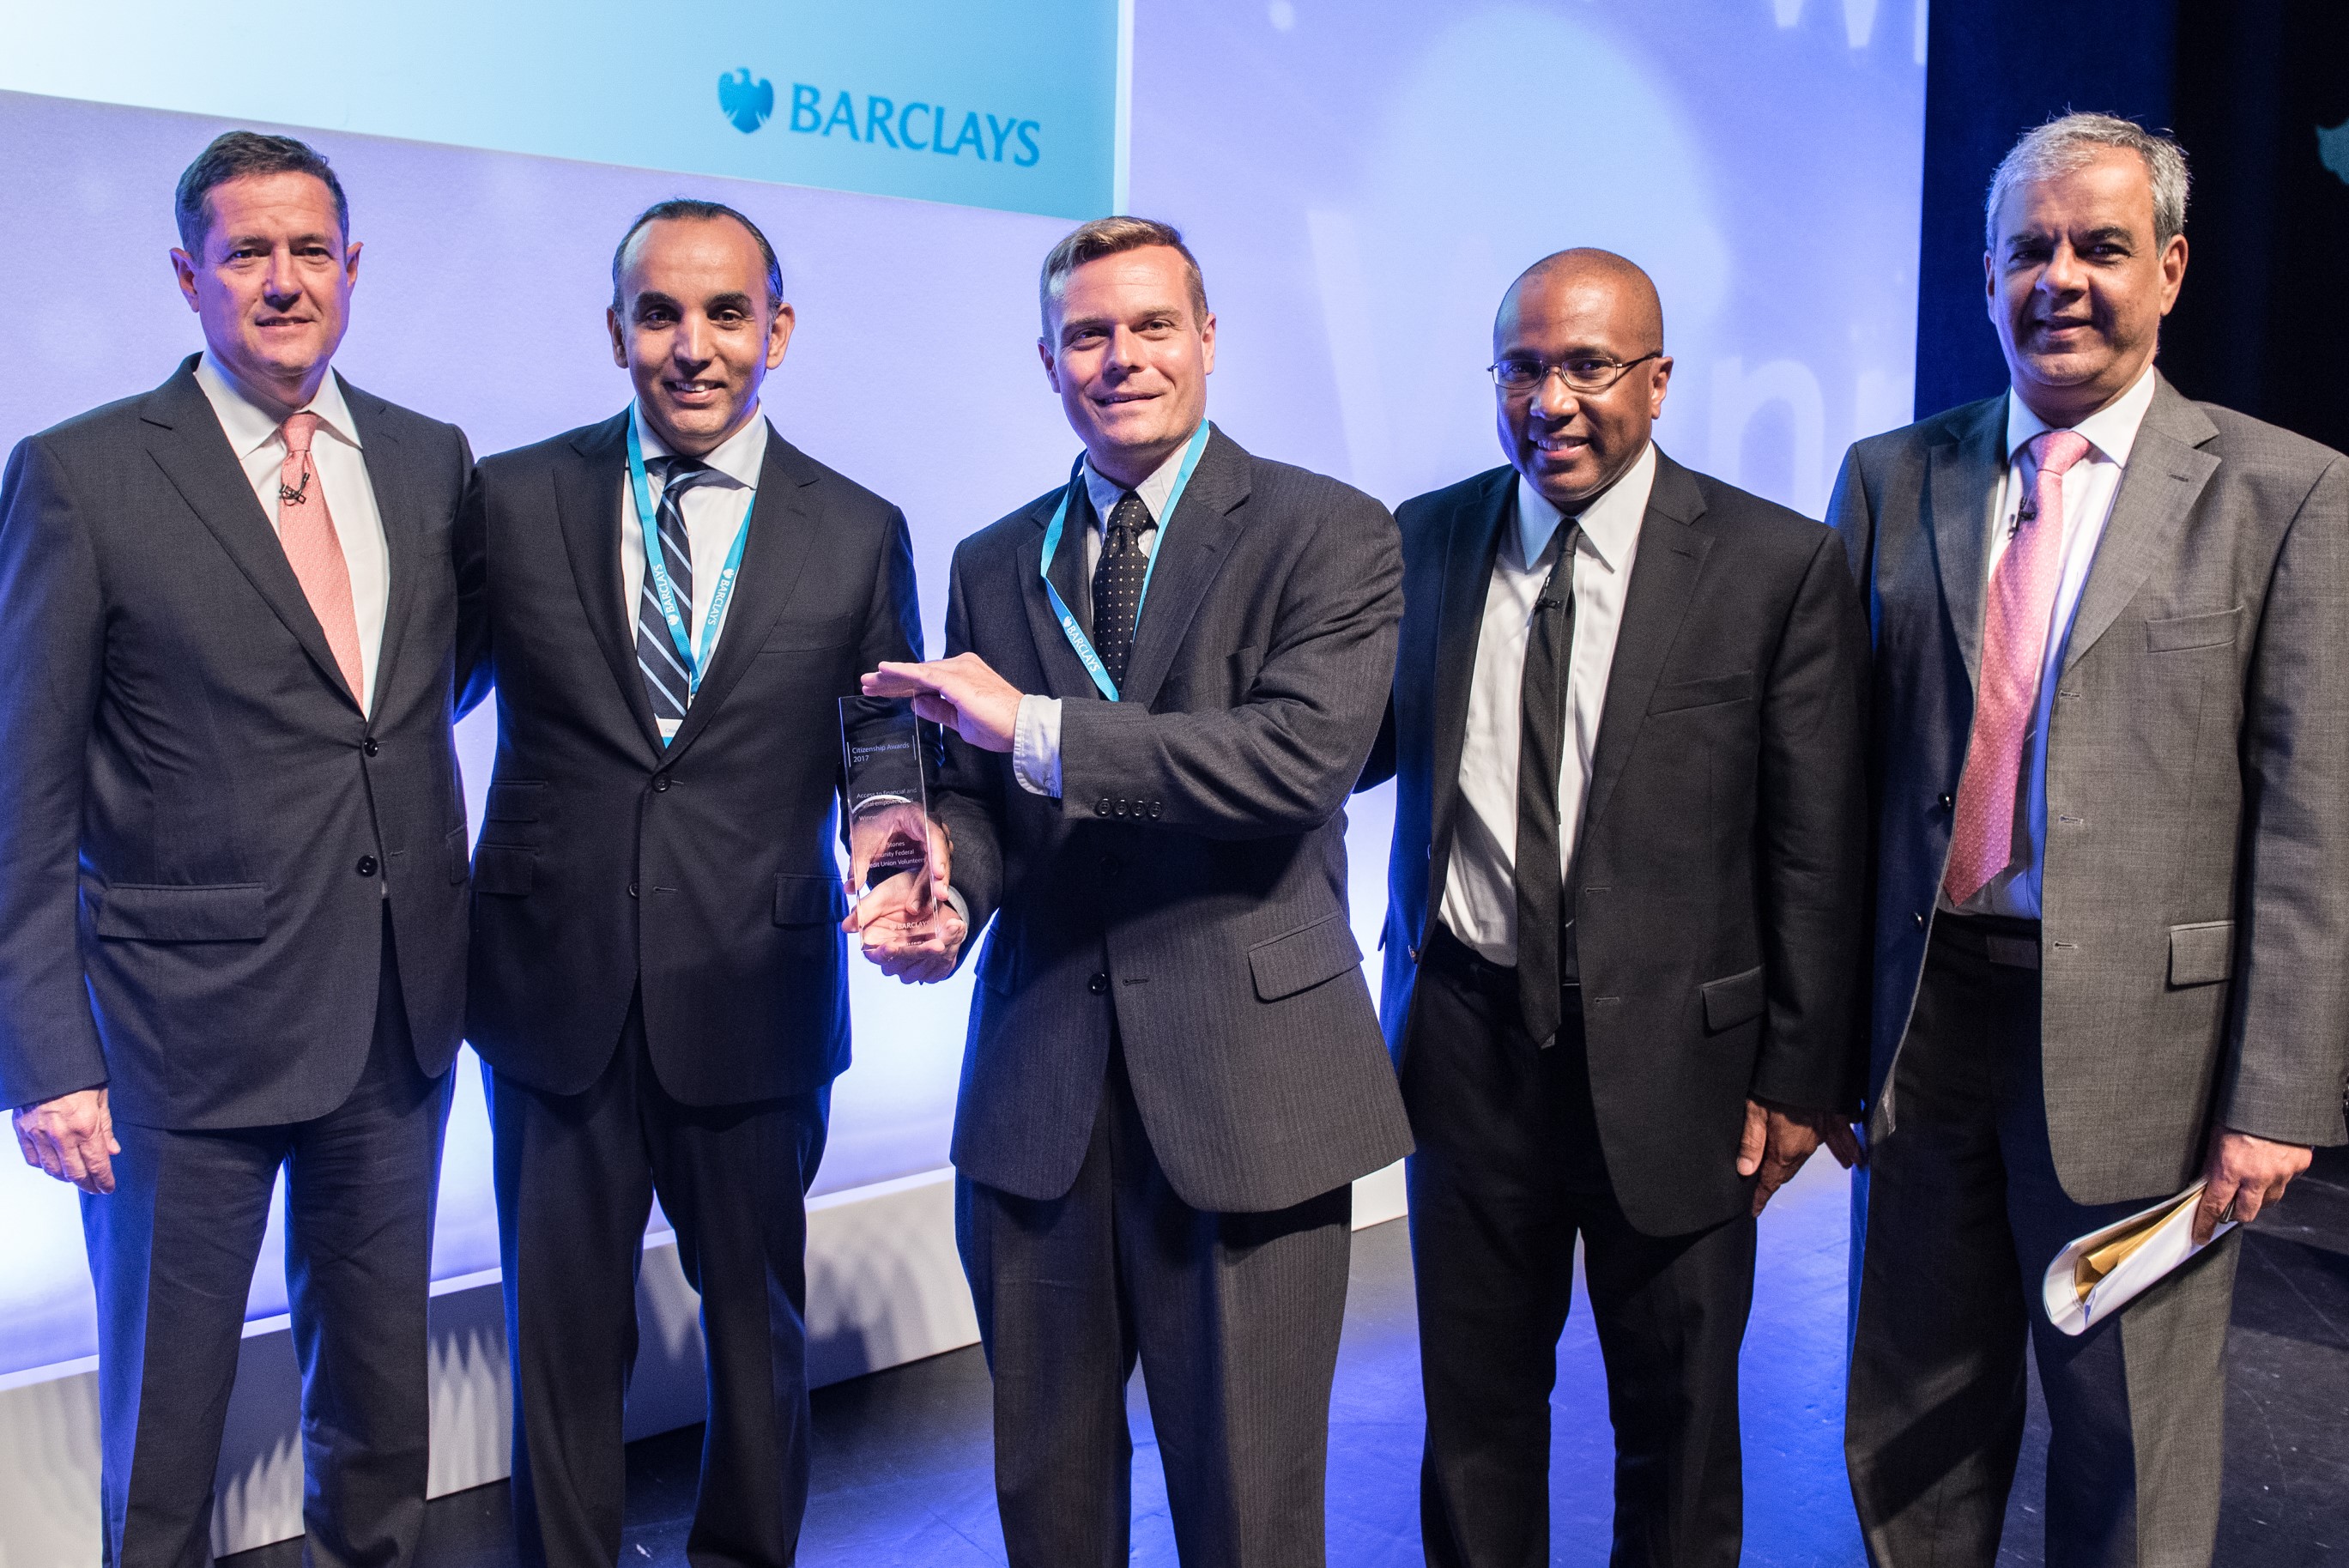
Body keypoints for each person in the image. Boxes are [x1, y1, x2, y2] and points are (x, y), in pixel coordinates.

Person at [1835, 112, 2349, 1567]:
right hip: (1924, 1028)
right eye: (2029, 250)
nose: (2060, 279)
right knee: (1910, 1416)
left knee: (2128, 1438)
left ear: (2170, 269)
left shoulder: (2285, 493)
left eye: (2100, 248)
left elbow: (2316, 823)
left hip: (2155, 1052)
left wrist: (2279, 1095)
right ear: (1984, 275)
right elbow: (1840, 783)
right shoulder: (1890, 478)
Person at [858, 216, 1412, 1567]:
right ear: (1046, 361)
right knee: (1046, 1496)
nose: (1122, 359)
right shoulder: (995, 557)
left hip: (1253, 1088)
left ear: (1208, 340)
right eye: (1088, 335)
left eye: (1152, 326)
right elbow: (986, 804)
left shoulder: (1327, 531)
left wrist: (1036, 729)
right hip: (1040, 1085)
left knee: (1250, 1509)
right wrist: (948, 890)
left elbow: (1295, 761)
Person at [0, 131, 475, 1568]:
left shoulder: (425, 458)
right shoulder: (81, 476)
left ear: (352, 271)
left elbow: (412, 701)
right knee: (170, 1436)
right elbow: (22, 788)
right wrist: (45, 1056)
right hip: (170, 1036)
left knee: (383, 1415)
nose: (283, 280)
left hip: (394, 1017)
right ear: (188, 274)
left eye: (310, 250)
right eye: (249, 252)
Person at [1358, 250, 1870, 1567]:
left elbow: (1813, 846)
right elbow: (1323, 746)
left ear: (1655, 380)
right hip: (1463, 1050)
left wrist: (1799, 1078)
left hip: (1681, 1074)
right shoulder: (1420, 538)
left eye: (1587, 366)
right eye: (1522, 368)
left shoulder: (1772, 563)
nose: (1553, 400)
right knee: (1472, 1418)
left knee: (1680, 1422)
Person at [453, 199, 924, 1567]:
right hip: (552, 990)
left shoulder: (855, 526)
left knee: (753, 1337)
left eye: (726, 314)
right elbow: (424, 696)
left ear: (777, 330)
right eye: (659, 313)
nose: (692, 345)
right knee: (560, 1346)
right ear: (616, 331)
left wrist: (891, 842)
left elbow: (879, 738)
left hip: (756, 985)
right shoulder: (513, 497)